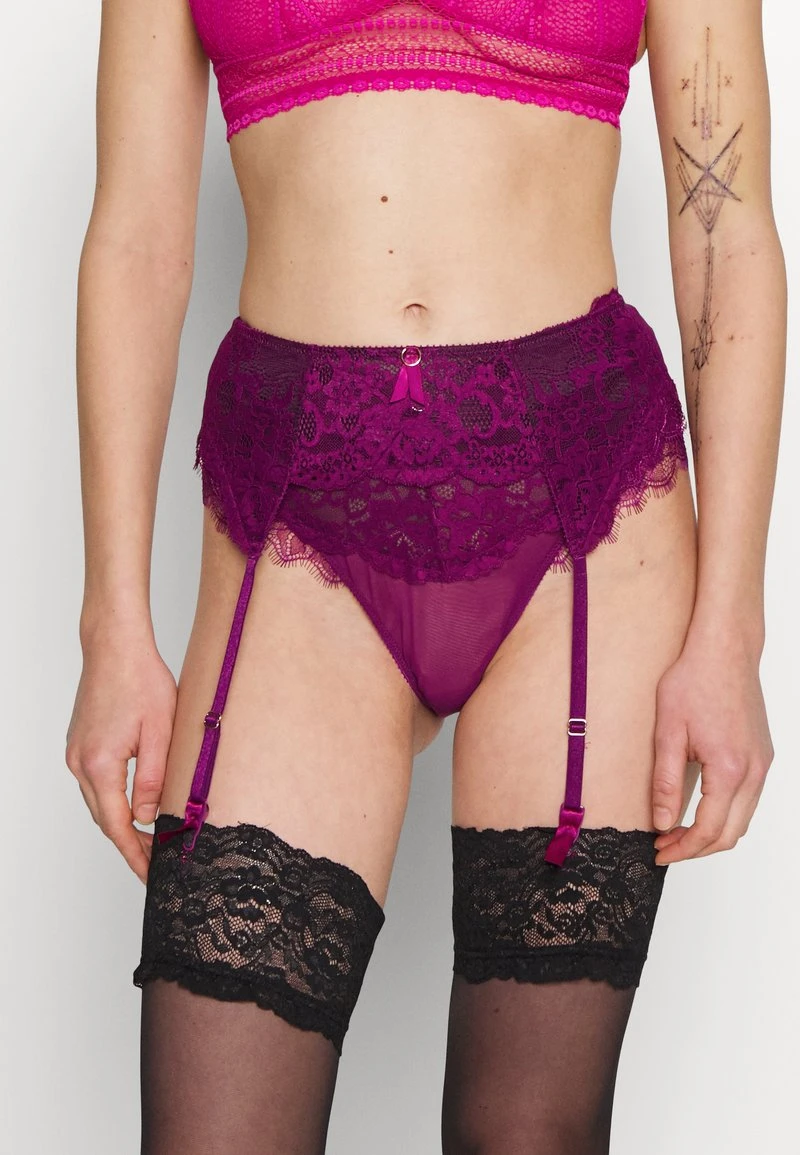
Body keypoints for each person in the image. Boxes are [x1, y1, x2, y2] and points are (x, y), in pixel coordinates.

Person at [65, 0, 785, 1151]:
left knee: (529, 1132)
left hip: (586, 517)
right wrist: (111, 624)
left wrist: (728, 633)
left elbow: (725, 231)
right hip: (293, 519)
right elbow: (137, 237)